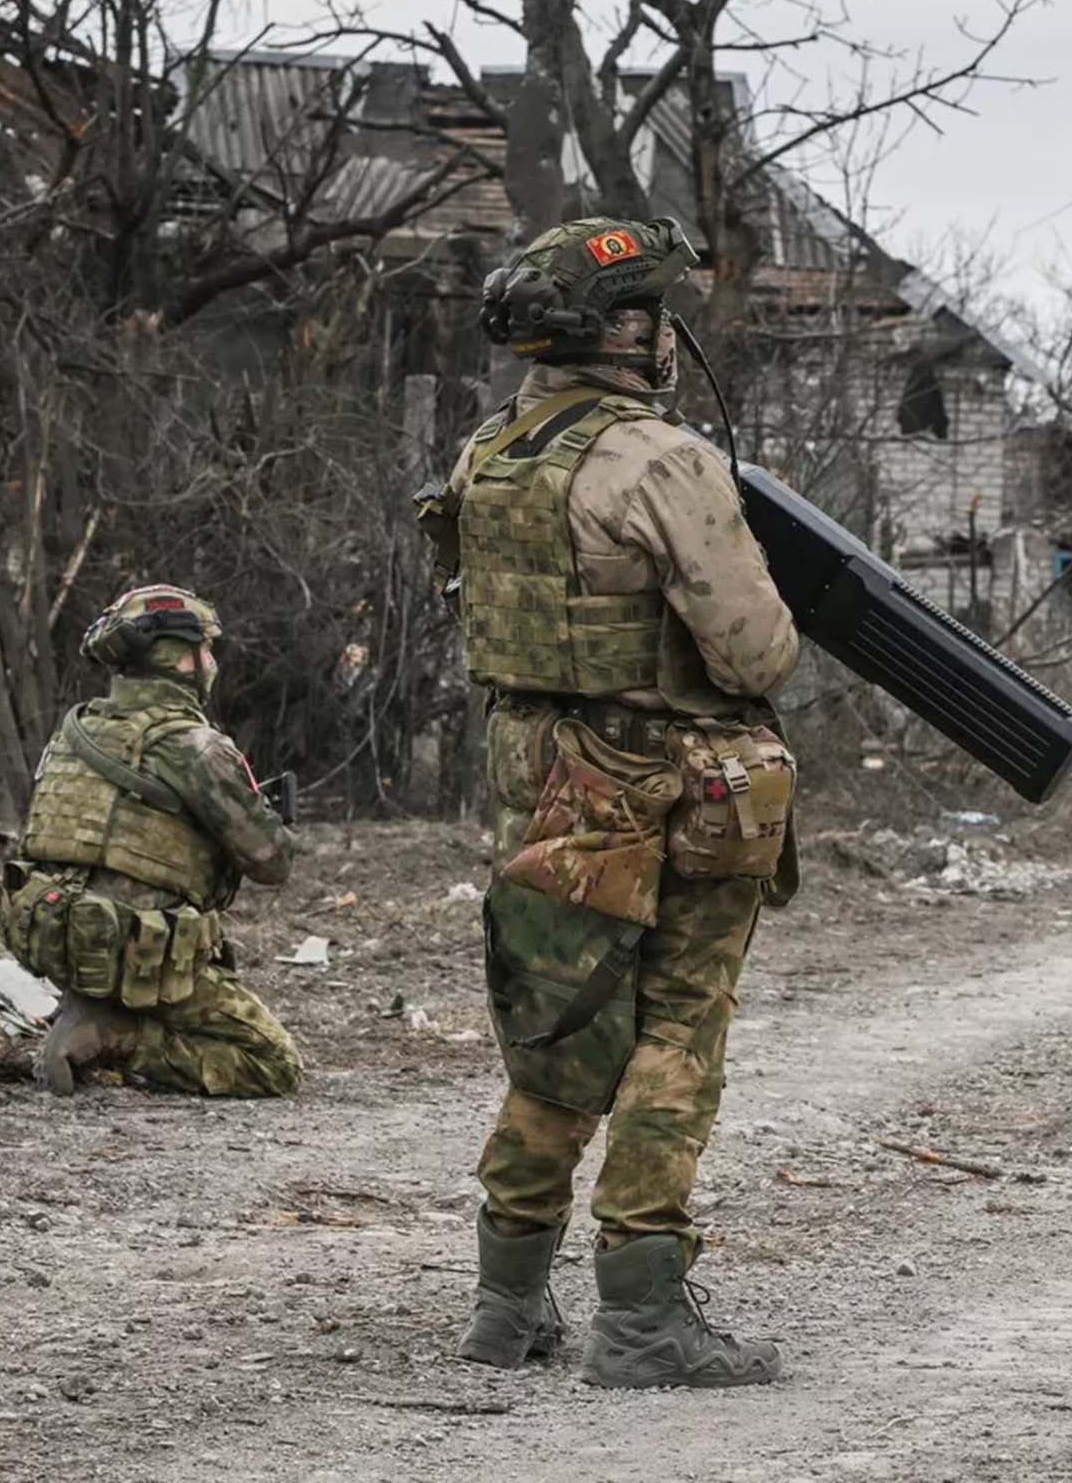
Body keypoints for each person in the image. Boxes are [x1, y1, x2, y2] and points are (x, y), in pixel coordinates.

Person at [419, 216, 801, 1390]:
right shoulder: (659, 458)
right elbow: (752, 651)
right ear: (627, 331)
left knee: (557, 1025)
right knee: (676, 1030)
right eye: (661, 315)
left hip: (534, 767)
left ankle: (506, 1304)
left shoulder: (490, 454)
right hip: (661, 776)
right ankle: (642, 1317)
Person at [0, 585, 298, 1098]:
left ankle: (94, 1008)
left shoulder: (75, 730)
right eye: (206, 649)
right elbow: (271, 863)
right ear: (183, 659)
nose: (211, 661)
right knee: (270, 1062)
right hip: (137, 949)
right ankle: (118, 1034)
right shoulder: (195, 746)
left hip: (62, 938)